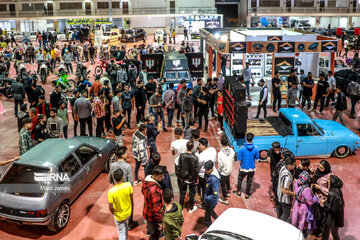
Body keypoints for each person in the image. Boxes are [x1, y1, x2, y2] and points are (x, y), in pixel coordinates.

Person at [108, 169, 133, 240]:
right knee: (125, 225)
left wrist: (114, 214)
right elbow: (131, 198)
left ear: (113, 178)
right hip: (128, 212)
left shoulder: (111, 192)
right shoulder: (128, 185)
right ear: (122, 177)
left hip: (118, 215)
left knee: (121, 232)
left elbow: (111, 207)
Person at [142, 165, 165, 240]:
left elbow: (143, 191)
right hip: (153, 217)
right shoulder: (154, 190)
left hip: (147, 211)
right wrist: (159, 221)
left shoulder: (147, 181)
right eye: (161, 176)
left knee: (152, 232)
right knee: (155, 235)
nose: (163, 177)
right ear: (155, 175)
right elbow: (156, 209)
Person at [234, 133, 259, 199]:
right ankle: (247, 194)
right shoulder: (256, 148)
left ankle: (239, 191)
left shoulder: (241, 149)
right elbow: (257, 159)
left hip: (243, 168)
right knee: (249, 181)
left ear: (246, 138)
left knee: (240, 179)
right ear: (252, 139)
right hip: (252, 168)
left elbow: (239, 160)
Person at [321, 175, 344, 240]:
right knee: (334, 232)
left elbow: (331, 207)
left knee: (327, 231)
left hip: (331, 218)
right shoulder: (338, 191)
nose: (327, 181)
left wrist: (324, 202)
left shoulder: (331, 193)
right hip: (337, 217)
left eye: (328, 180)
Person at [178, 140, 199, 213]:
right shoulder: (195, 158)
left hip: (183, 178)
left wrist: (179, 175)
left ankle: (181, 209)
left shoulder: (182, 156)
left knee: (182, 193)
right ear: (192, 148)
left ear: (186, 147)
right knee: (192, 193)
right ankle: (190, 208)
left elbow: (179, 166)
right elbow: (196, 170)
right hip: (192, 178)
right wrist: (197, 178)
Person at [196, 138, 217, 207]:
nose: (199, 146)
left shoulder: (201, 156)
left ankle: (204, 203)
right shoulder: (213, 149)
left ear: (204, 145)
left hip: (203, 175)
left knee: (204, 189)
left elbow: (198, 166)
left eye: (200, 145)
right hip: (212, 173)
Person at [277, 157, 296, 222]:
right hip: (285, 199)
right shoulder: (287, 177)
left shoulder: (283, 168)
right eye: (294, 165)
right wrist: (294, 194)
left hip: (279, 195)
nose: (294, 166)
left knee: (280, 212)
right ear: (290, 165)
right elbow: (284, 190)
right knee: (286, 213)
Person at [217, 136, 235, 205]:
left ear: (221, 143)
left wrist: (219, 170)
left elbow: (220, 165)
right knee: (228, 180)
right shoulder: (231, 151)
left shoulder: (220, 154)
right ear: (227, 142)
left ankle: (225, 198)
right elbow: (233, 159)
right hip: (230, 169)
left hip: (223, 172)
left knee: (222, 185)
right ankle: (228, 192)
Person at [203, 161, 220, 227]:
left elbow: (214, 194)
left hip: (211, 201)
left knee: (207, 215)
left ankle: (209, 225)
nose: (206, 171)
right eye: (205, 169)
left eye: (207, 170)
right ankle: (215, 216)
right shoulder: (213, 173)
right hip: (209, 197)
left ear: (211, 169)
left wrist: (206, 198)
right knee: (210, 210)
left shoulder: (213, 179)